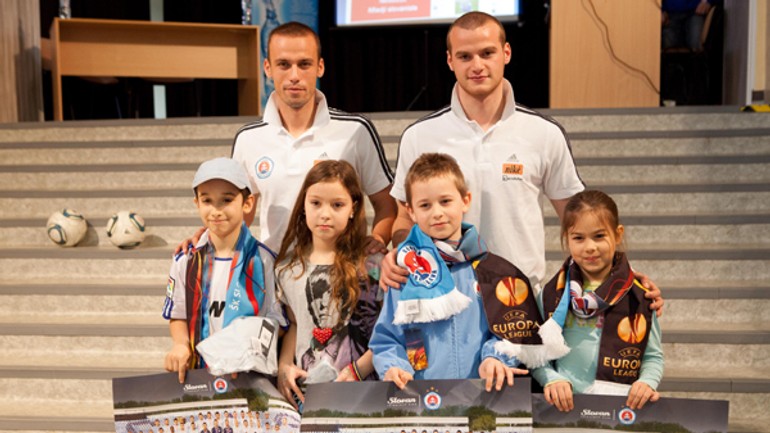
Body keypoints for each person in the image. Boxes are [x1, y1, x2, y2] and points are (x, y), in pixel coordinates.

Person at [379, 11, 663, 314]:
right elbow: (404, 219)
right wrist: (398, 252)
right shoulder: (419, 136)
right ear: (450, 61)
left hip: (520, 302)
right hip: (443, 300)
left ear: (506, 53)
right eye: (465, 56)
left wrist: (621, 274)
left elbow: (583, 220)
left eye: (487, 53)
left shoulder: (544, 133)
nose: (477, 65)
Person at [229, 21, 396, 255]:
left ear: (320, 67)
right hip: (275, 278)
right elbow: (239, 213)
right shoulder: (248, 138)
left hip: (343, 277)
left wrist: (378, 238)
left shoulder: (356, 130)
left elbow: (387, 202)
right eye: (284, 65)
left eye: (304, 64)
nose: (294, 75)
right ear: (267, 68)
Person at [369, 153, 529, 392]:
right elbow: (386, 339)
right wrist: (393, 367)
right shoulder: (403, 272)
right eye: (425, 205)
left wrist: (494, 359)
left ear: (465, 201)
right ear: (410, 211)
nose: (437, 213)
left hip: (482, 396)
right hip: (422, 402)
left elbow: (510, 330)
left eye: (445, 201)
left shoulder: (492, 272)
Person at [532, 190, 664, 412]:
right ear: (566, 239)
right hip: (565, 410)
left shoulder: (639, 296)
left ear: (618, 234)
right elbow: (535, 354)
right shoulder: (550, 295)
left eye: (599, 236)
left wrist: (646, 383)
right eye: (578, 238)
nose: (590, 247)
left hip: (618, 409)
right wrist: (551, 379)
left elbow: (653, 357)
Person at [162, 157, 284, 383]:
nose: (216, 211)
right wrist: (179, 345)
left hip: (247, 377)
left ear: (247, 203)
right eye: (207, 200)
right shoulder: (185, 259)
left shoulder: (264, 260)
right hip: (198, 375)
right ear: (196, 203)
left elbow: (274, 321)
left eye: (226, 200)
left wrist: (245, 351)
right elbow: (177, 314)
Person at [274, 160, 382, 409]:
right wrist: (284, 366)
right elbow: (294, 324)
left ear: (353, 208)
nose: (325, 213)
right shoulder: (288, 268)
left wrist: (358, 370)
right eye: (316, 203)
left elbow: (387, 332)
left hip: (363, 395)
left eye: (337, 205)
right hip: (307, 395)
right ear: (303, 205)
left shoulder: (372, 264)